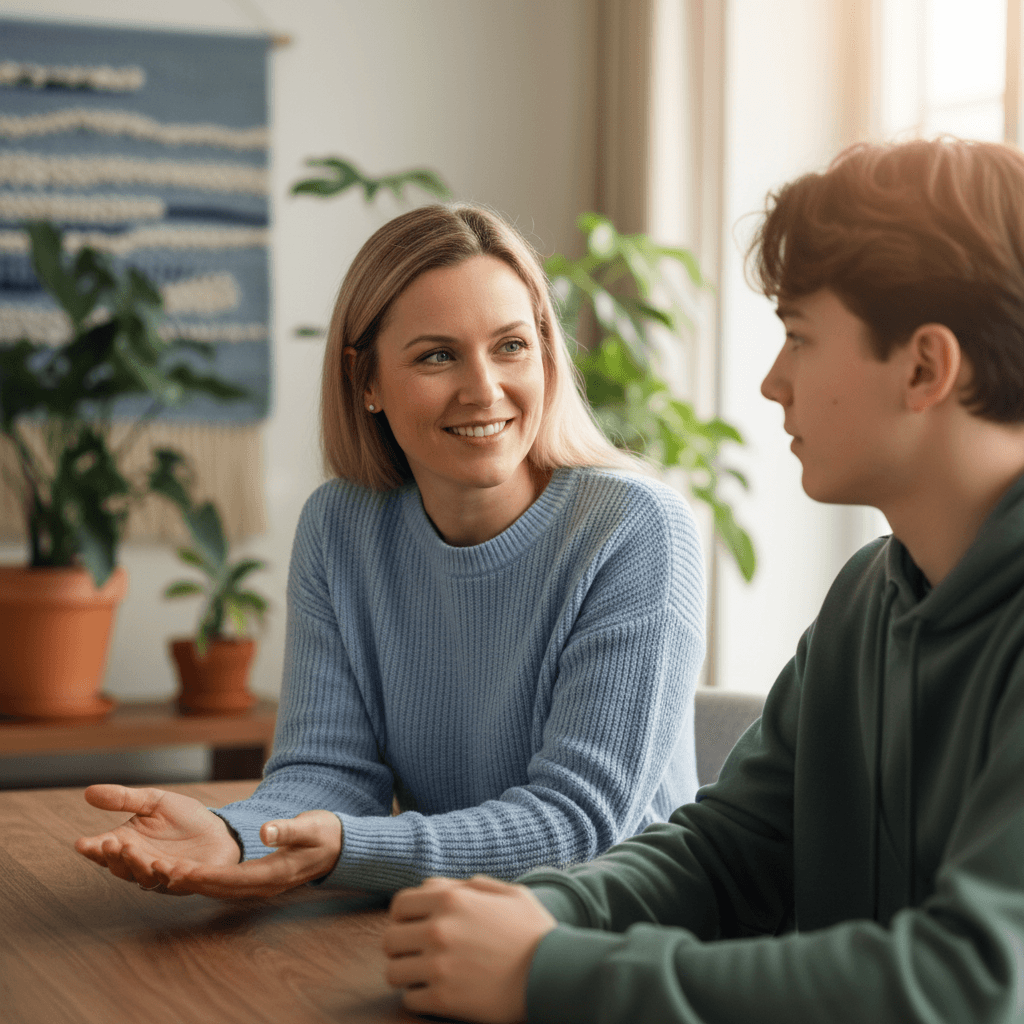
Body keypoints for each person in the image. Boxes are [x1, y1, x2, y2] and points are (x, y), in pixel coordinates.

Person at [380, 137, 1024, 1024]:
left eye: (799, 337)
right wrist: (545, 912)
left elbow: (972, 985)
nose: (771, 381)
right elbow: (730, 851)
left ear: (924, 367)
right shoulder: (870, 595)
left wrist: (553, 973)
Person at [74, 204, 706, 898]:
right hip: (451, 920)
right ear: (365, 380)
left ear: (548, 354)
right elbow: (329, 773)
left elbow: (580, 823)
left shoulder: (636, 529)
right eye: (438, 355)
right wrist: (235, 837)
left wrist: (343, 850)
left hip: (620, 942)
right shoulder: (340, 528)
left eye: (511, 346)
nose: (484, 389)